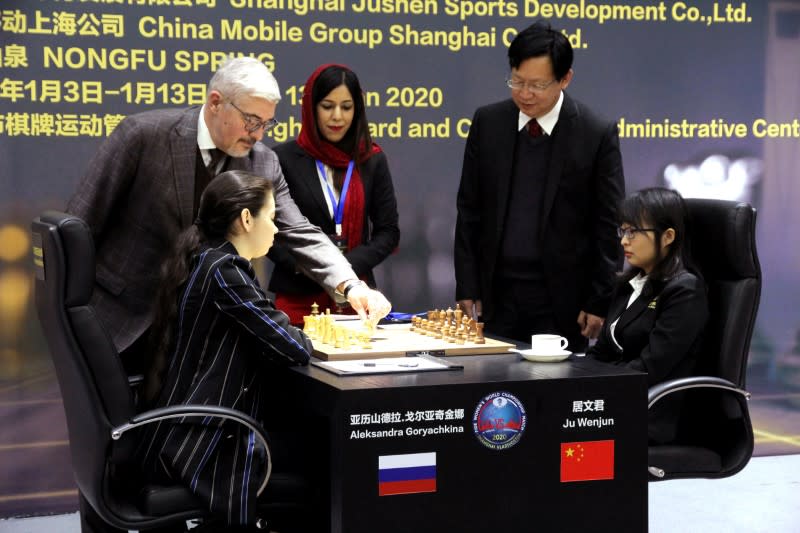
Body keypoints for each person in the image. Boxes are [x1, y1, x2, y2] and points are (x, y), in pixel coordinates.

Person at [66, 56, 389, 377]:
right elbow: (80, 224)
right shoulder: (142, 135)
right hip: (121, 322)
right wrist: (66, 308)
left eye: (266, 124)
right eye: (251, 121)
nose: (259, 134)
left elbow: (299, 230)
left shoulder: (262, 162)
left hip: (195, 336)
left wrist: (350, 285)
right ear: (216, 102)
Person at [137, 170, 311, 530]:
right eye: (273, 218)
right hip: (199, 442)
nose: (277, 230)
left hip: (181, 429)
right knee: (322, 455)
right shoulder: (225, 271)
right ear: (246, 219)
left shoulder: (207, 256)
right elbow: (294, 347)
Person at [454, 20, 625, 351]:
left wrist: (599, 299)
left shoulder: (594, 134)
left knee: (554, 396)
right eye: (516, 81)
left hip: (562, 301)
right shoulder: (488, 123)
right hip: (497, 296)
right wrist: (467, 285)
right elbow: (469, 210)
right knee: (496, 395)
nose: (525, 93)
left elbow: (607, 224)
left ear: (565, 79)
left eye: (537, 85)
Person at [269, 64, 400, 324]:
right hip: (298, 295)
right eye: (327, 106)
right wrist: (311, 266)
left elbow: (388, 233)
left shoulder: (371, 159)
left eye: (347, 107)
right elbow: (270, 233)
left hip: (358, 298)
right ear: (311, 107)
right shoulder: (282, 158)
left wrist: (346, 268)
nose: (337, 116)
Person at [587, 187, 708, 443]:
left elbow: (650, 367)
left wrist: (596, 389)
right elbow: (602, 352)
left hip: (652, 413)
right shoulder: (629, 283)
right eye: (623, 230)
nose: (623, 241)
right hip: (618, 398)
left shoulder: (684, 290)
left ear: (668, 236)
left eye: (633, 232)